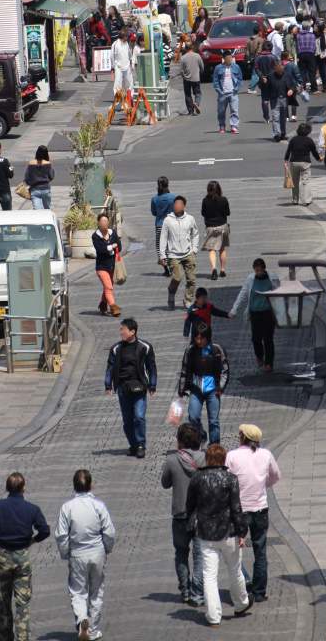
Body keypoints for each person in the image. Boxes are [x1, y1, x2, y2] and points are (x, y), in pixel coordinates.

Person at [0, 472, 50, 641]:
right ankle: (23, 637)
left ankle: (5, 637)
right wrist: (32, 540)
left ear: (7, 488)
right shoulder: (32, 509)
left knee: (3, 603)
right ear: (23, 488)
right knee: (22, 604)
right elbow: (45, 530)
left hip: (2, 557)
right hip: (22, 557)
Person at [185, 444, 252, 626]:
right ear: (223, 459)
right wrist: (242, 531)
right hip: (228, 531)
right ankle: (241, 603)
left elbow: (189, 505)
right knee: (235, 569)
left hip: (206, 533)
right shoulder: (230, 479)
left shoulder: (198, 478)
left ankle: (214, 616)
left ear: (207, 459)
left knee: (209, 575)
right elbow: (236, 508)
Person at [55, 469, 115, 641]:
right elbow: (109, 532)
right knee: (96, 591)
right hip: (97, 552)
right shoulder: (98, 506)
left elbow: (61, 534)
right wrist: (107, 548)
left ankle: (82, 619)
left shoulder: (67, 507)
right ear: (90, 485)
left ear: (74, 486)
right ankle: (93, 629)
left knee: (78, 591)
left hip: (77, 553)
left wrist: (66, 553)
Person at [226, 424, 281, 603]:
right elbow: (275, 476)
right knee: (260, 549)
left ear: (242, 437)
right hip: (260, 508)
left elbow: (226, 480)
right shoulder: (266, 454)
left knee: (234, 550)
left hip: (239, 509)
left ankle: (241, 585)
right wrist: (262, 484)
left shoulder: (232, 456)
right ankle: (259, 591)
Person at [161, 423, 205, 606]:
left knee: (181, 552)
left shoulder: (171, 460)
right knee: (199, 554)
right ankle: (197, 593)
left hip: (180, 513)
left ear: (179, 441)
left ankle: (185, 590)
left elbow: (165, 483)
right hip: (200, 513)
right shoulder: (204, 458)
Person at [104, 318, 157, 459]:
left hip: (139, 387)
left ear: (132, 331)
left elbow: (152, 367)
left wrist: (152, 384)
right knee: (127, 420)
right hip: (123, 388)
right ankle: (133, 444)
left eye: (123, 329)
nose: (121, 332)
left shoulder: (145, 347)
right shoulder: (116, 349)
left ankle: (140, 444)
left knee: (139, 417)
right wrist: (108, 384)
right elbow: (110, 367)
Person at [179, 323, 229, 444]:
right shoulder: (190, 351)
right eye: (196, 338)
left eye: (202, 338)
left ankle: (214, 445)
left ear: (208, 337)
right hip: (196, 388)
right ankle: (201, 434)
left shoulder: (217, 350)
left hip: (213, 389)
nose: (199, 341)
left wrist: (220, 387)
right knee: (193, 416)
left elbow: (225, 371)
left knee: (214, 421)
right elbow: (185, 370)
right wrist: (182, 389)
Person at [230, 258, 278, 373]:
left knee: (268, 339)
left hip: (268, 312)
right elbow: (243, 294)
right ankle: (259, 356)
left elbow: (278, 292)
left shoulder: (272, 278)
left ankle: (269, 363)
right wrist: (234, 309)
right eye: (256, 271)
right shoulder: (250, 279)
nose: (258, 273)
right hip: (255, 313)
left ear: (264, 269)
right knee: (256, 339)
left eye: (260, 271)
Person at [160, 196, 200, 310]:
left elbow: (195, 234)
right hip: (173, 254)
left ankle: (188, 300)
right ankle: (171, 295)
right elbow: (163, 237)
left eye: (179, 204)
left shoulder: (190, 219)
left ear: (184, 206)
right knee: (177, 278)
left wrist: (194, 249)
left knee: (191, 279)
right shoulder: (168, 220)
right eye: (175, 204)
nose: (176, 206)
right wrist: (163, 255)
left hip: (188, 253)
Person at [92, 214, 122, 317]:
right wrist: (111, 246)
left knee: (107, 287)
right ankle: (114, 308)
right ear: (98, 223)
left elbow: (120, 246)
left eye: (106, 221)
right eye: (102, 221)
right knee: (109, 287)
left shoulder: (113, 233)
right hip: (101, 267)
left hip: (112, 266)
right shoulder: (95, 236)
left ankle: (102, 305)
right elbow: (100, 250)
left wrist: (112, 247)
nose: (104, 223)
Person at [200, 180, 231, 280]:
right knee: (222, 249)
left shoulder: (205, 200)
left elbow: (203, 213)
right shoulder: (223, 199)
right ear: (219, 189)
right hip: (222, 226)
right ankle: (222, 270)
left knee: (212, 250)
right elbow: (228, 212)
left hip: (210, 227)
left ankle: (214, 268)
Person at [284, 123, 320, 205]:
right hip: (305, 163)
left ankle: (295, 200)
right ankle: (307, 200)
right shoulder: (309, 140)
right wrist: (318, 159)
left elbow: (288, 151)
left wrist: (286, 160)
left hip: (294, 162)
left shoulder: (293, 140)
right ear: (308, 131)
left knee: (295, 182)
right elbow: (314, 152)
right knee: (305, 181)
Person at [212, 52, 242, 135]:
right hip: (222, 93)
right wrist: (219, 90)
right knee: (221, 111)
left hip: (233, 92)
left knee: (234, 110)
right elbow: (215, 80)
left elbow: (240, 78)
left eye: (231, 58)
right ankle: (222, 126)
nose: (230, 59)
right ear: (224, 59)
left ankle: (234, 126)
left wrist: (237, 88)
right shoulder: (218, 68)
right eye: (228, 58)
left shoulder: (236, 67)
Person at [151, 176, 176, 276]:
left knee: (160, 247)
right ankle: (173, 267)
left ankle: (166, 269)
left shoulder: (155, 199)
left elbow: (154, 212)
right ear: (167, 184)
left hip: (160, 225)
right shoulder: (173, 197)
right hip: (172, 224)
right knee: (172, 246)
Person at [24, 145, 54, 210]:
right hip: (46, 189)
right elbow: (51, 176)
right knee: (47, 209)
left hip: (34, 189)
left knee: (37, 211)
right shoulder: (48, 163)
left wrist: (30, 183)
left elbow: (27, 178)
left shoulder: (31, 163)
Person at [255, 41, 278, 124]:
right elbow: (277, 68)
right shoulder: (273, 57)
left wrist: (262, 76)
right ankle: (274, 116)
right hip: (273, 79)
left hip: (263, 80)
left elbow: (256, 68)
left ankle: (266, 117)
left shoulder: (258, 57)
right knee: (273, 98)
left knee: (264, 99)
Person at [268, 60, 289, 143]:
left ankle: (283, 133)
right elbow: (265, 88)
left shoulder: (286, 75)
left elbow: (291, 85)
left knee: (283, 118)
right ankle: (277, 134)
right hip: (274, 99)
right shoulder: (270, 76)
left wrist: (291, 89)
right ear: (276, 69)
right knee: (275, 117)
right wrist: (265, 99)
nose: (281, 72)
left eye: (282, 71)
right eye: (279, 71)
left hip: (284, 98)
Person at [181, 43, 204, 116]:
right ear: (192, 47)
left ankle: (190, 111)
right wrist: (200, 72)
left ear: (186, 49)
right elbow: (202, 67)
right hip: (196, 78)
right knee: (198, 93)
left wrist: (184, 76)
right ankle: (196, 103)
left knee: (188, 94)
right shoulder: (197, 56)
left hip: (186, 79)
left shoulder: (183, 57)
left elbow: (181, 70)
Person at [111, 26, 134, 96]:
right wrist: (113, 66)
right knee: (118, 82)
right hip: (118, 66)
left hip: (126, 65)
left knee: (129, 82)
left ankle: (130, 96)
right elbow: (112, 56)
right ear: (123, 36)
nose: (127, 38)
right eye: (126, 36)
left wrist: (131, 62)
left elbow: (129, 54)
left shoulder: (126, 43)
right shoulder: (115, 44)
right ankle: (118, 96)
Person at [295, 20, 317, 91]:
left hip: (301, 54)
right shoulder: (312, 35)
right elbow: (314, 46)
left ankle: (303, 87)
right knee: (312, 72)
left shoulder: (298, 35)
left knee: (302, 71)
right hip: (310, 54)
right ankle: (314, 88)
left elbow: (297, 47)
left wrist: (298, 55)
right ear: (308, 27)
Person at [283, 53, 302, 122]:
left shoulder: (280, 65)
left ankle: (286, 117)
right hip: (292, 85)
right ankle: (293, 116)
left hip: (283, 85)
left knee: (285, 101)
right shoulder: (293, 65)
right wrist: (300, 82)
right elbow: (297, 75)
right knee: (293, 100)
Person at [314, 24, 326, 93]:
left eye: (316, 27)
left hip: (322, 56)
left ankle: (325, 87)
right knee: (314, 71)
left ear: (319, 28)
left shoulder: (324, 36)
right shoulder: (314, 35)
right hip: (315, 55)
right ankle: (315, 88)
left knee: (323, 72)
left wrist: (324, 55)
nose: (315, 28)